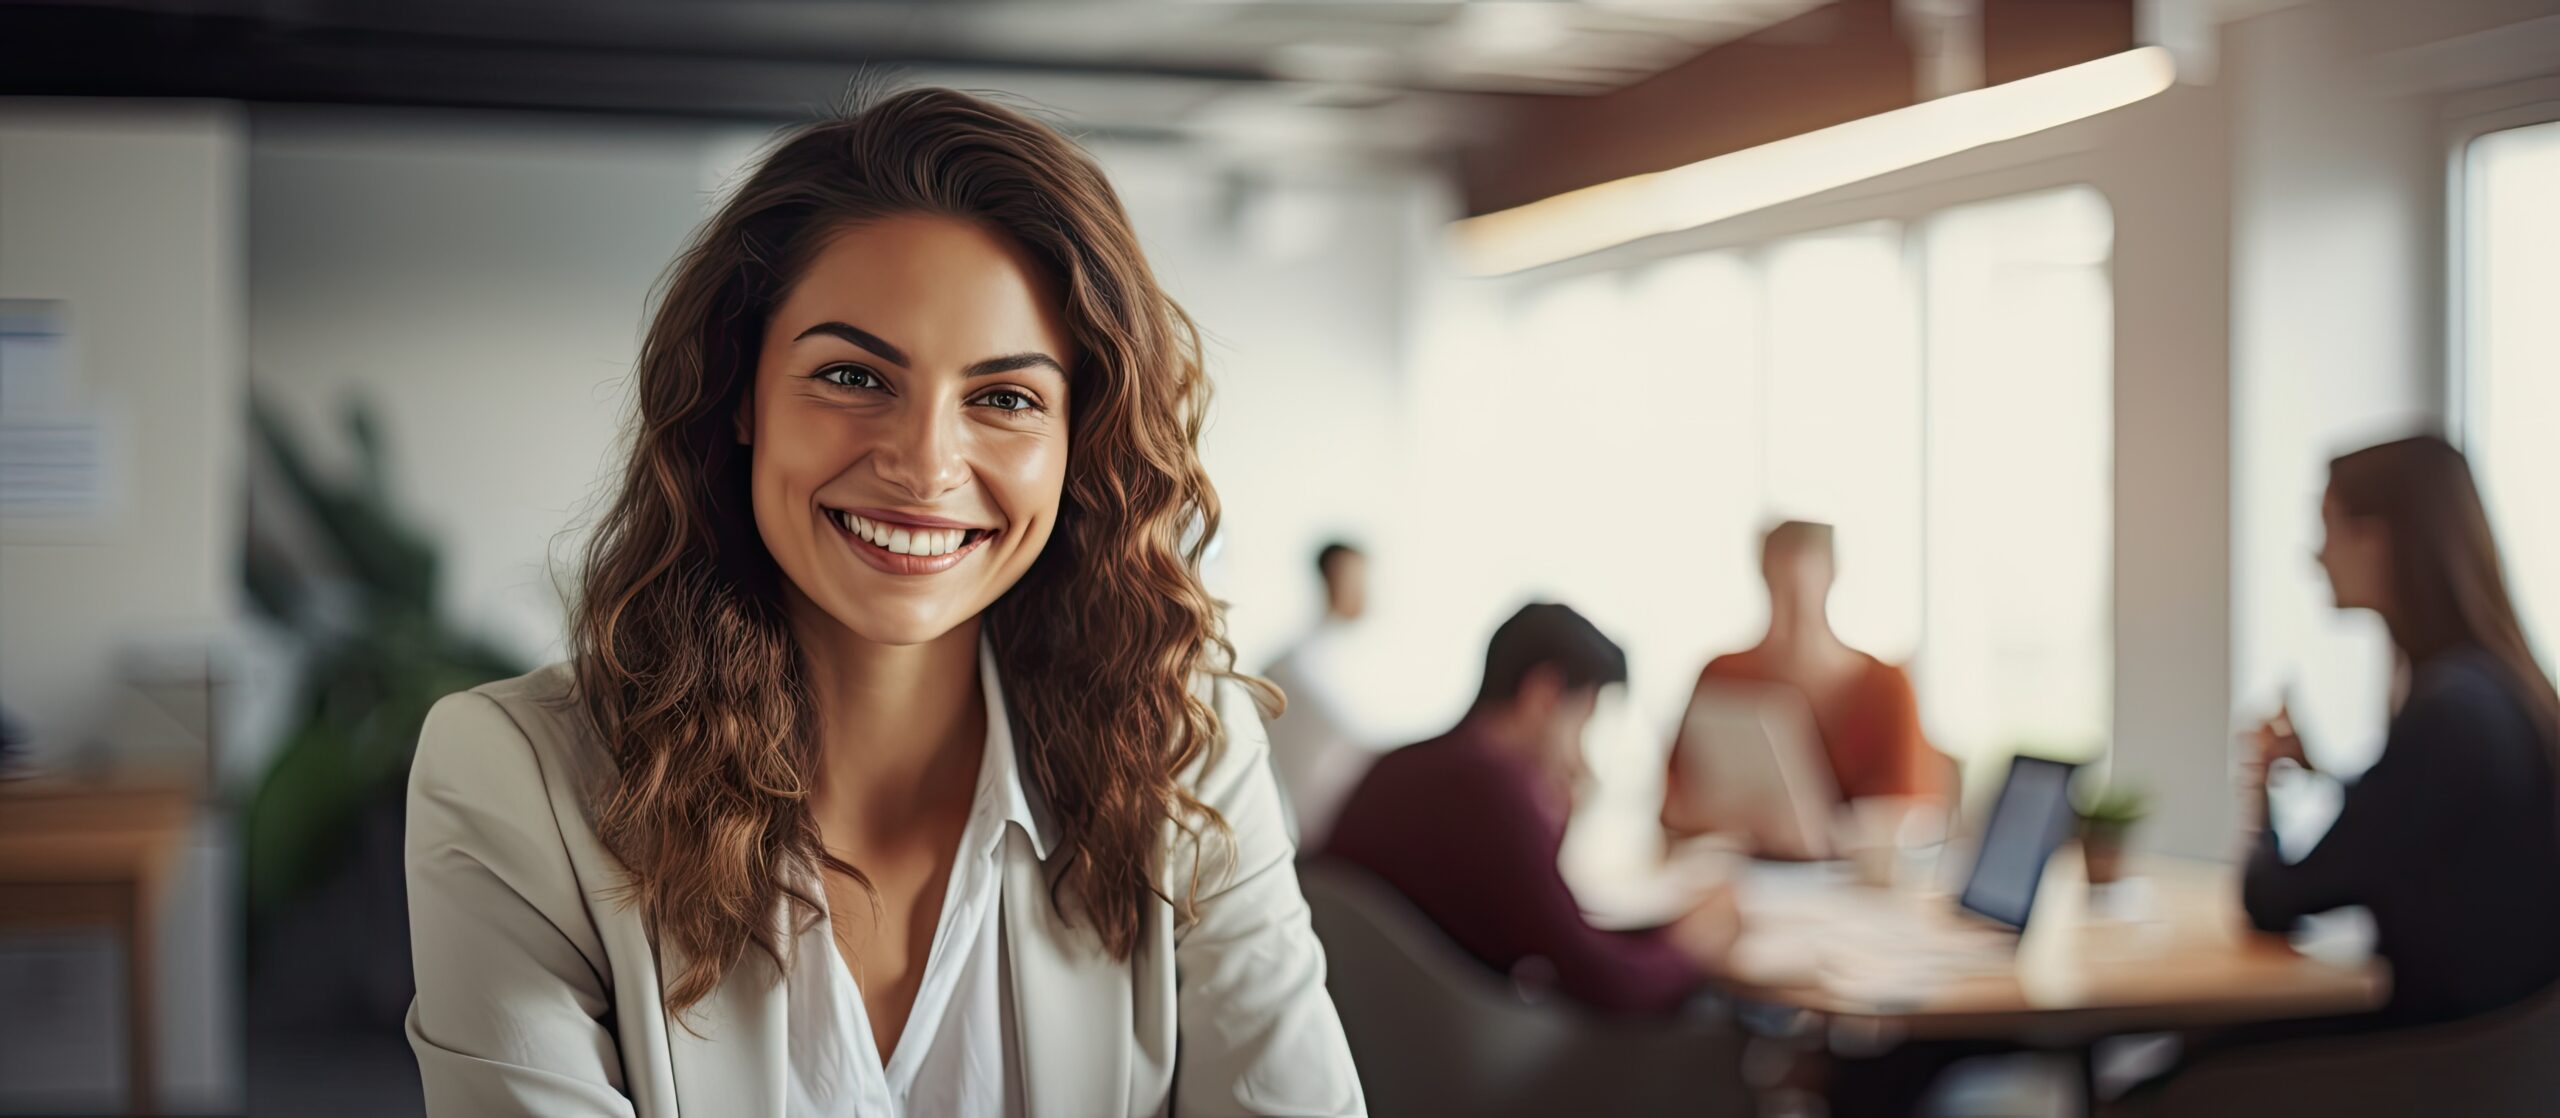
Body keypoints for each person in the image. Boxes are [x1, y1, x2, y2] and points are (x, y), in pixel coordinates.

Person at [400, 89, 1363, 1117]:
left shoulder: (1184, 756)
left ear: (1079, 440)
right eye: (854, 374)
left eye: (1005, 398)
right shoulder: (514, 781)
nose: (924, 464)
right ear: (740, 393)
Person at [2238, 434, 2560, 1028]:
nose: (2316, 556)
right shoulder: (2501, 694)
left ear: (2379, 541)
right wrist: (2325, 775)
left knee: (2171, 1085)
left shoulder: (2444, 714)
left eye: (2328, 528)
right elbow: (2424, 831)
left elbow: (2275, 898)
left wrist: (2262, 796)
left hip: (2426, 1068)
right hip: (2504, 1073)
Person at [1322, 603, 1740, 1016]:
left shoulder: (1400, 764)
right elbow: (1600, 979)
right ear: (1545, 695)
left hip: (1382, 1033)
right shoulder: (1494, 789)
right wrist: (1690, 951)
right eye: (1584, 719)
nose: (1581, 756)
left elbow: (1543, 924)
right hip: (1459, 1050)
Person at [1663, 520, 1943, 840]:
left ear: (1832, 575)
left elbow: (1913, 818)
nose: (1794, 603)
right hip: (1740, 875)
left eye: (1802, 583)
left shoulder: (1887, 687)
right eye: (1782, 584)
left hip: (1844, 882)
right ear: (1763, 576)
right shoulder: (1722, 676)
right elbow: (1673, 803)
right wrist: (1752, 820)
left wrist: (1824, 832)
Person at [1262, 540, 1378, 850]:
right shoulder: (1294, 667)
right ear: (1334, 577)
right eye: (1357, 578)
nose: (1367, 591)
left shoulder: (1358, 662)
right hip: (1303, 831)